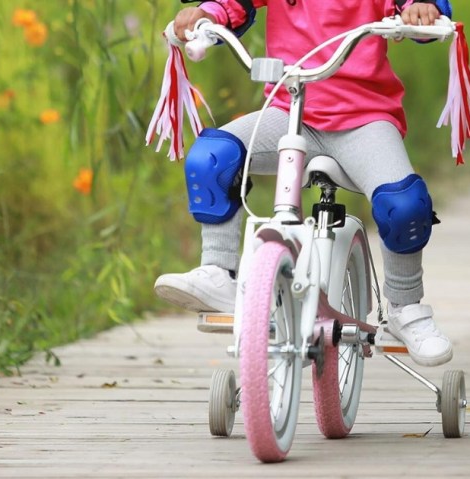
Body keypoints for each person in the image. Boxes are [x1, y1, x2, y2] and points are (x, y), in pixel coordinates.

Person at [154, 0, 454, 367]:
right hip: (289, 113)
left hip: (364, 121)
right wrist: (207, 15)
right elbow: (234, 5)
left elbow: (413, 4)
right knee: (212, 158)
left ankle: (406, 308)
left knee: (405, 205)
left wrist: (421, 10)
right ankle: (219, 273)